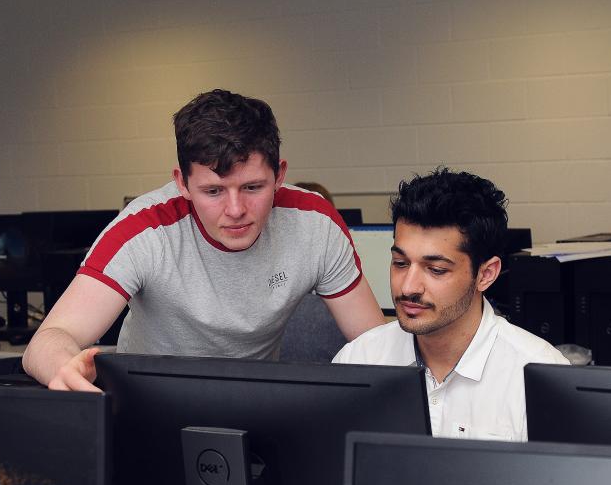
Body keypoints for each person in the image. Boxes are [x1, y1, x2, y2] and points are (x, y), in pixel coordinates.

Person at [22, 89, 384, 391]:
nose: (236, 209)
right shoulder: (143, 231)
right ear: (182, 183)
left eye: (253, 187)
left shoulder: (314, 223)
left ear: (280, 174)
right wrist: (63, 369)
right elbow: (47, 340)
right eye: (213, 191)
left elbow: (377, 345)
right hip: (149, 408)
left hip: (257, 406)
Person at [333, 168, 568, 440]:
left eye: (436, 270)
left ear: (485, 274)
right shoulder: (359, 360)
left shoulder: (538, 376)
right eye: (400, 263)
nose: (408, 287)